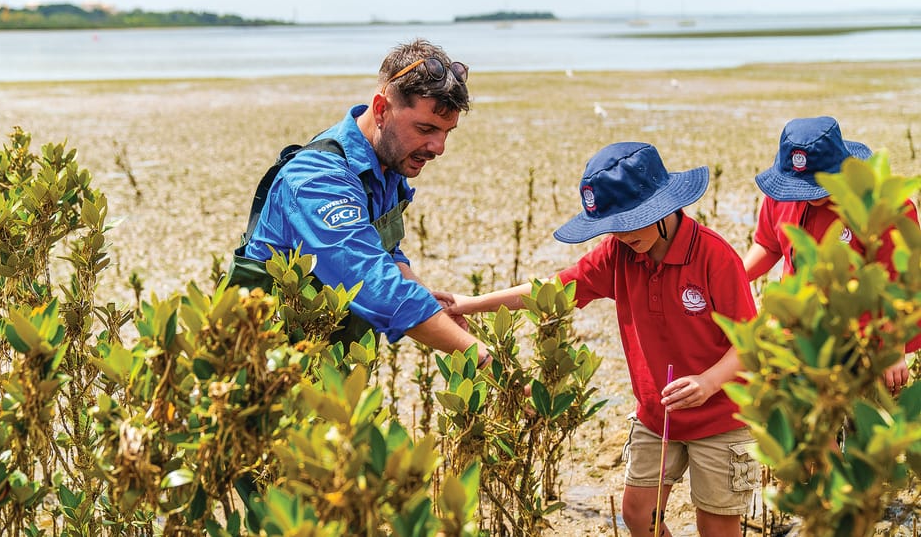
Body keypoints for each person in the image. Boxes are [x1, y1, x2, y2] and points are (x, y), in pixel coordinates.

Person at [440, 142, 759, 537]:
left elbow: (750, 343)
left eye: (629, 221)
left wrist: (708, 382)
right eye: (612, 226)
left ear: (661, 206)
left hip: (721, 417)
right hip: (657, 415)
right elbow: (553, 289)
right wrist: (468, 304)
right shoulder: (618, 255)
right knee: (638, 515)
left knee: (716, 527)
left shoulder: (714, 256)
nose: (621, 235)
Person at [229, 38, 490, 362]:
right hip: (261, 370)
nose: (439, 147)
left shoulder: (388, 164)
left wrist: (432, 306)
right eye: (426, 128)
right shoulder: (319, 180)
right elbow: (376, 285)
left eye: (446, 132)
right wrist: (484, 358)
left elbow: (386, 253)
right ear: (381, 110)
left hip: (325, 368)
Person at [743, 116, 920, 393]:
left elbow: (899, 281)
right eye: (801, 185)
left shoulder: (882, 206)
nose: (809, 194)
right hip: (799, 336)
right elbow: (768, 245)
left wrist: (893, 350)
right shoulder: (782, 194)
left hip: (862, 342)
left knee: (862, 429)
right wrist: (731, 279)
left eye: (819, 183)